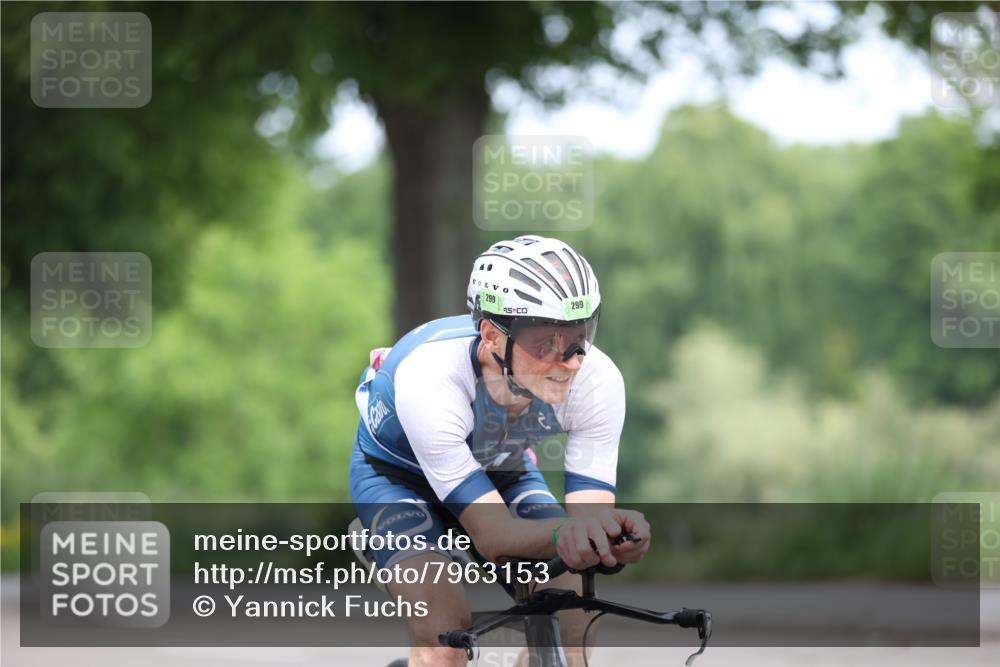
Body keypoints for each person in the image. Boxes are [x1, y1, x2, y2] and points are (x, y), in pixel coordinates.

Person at [349, 235, 651, 666]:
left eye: (580, 335)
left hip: (500, 467)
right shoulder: (432, 377)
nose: (571, 360)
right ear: (492, 336)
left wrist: (610, 538)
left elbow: (588, 525)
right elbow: (494, 537)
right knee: (444, 635)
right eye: (546, 342)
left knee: (572, 612)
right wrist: (564, 534)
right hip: (398, 480)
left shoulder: (598, 381)